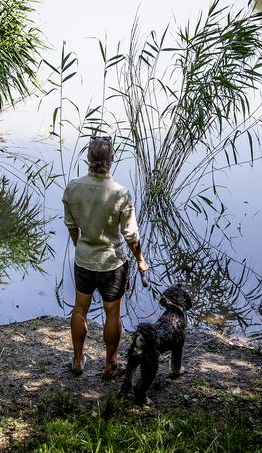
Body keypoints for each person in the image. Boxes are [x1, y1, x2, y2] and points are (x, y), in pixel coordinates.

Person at [62, 136, 148, 379]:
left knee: (80, 309)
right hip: (112, 264)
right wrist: (140, 259)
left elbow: (71, 226)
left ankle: (78, 361)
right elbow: (131, 236)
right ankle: (110, 364)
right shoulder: (121, 193)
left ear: (88, 158)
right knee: (113, 313)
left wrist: (82, 248)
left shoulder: (73, 188)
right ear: (112, 159)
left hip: (84, 261)